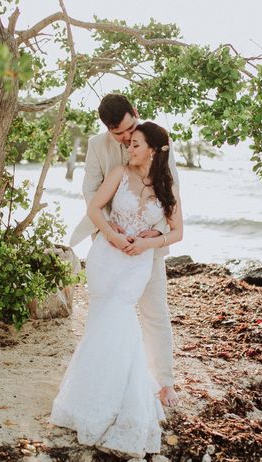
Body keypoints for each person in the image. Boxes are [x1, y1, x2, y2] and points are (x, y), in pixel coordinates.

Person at [50, 121, 183, 456]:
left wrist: (150, 242)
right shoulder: (119, 173)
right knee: (101, 324)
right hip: (107, 258)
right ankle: (91, 395)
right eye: (128, 143)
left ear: (153, 149)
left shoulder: (167, 184)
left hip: (138, 261)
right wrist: (113, 236)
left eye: (135, 144)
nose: (129, 148)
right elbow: (94, 208)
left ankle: (125, 394)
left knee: (122, 319)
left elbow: (177, 232)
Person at [70, 94, 180, 408]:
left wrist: (158, 233)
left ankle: (165, 381)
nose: (126, 138)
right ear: (107, 129)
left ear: (136, 113)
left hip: (149, 247)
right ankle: (102, 380)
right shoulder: (97, 146)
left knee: (155, 312)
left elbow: (171, 190)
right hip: (109, 242)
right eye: (118, 134)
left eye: (129, 130)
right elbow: (90, 192)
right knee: (105, 315)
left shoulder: (157, 139)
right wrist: (109, 229)